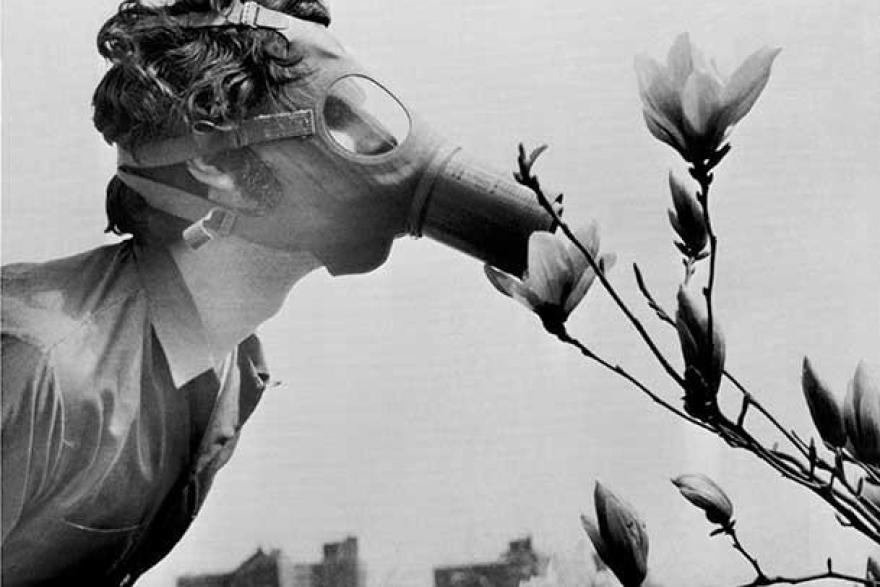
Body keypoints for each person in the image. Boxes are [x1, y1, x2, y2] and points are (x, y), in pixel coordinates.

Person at [1, 0, 553, 583]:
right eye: (339, 124)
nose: (379, 145)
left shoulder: (229, 371)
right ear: (220, 168)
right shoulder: (40, 365)